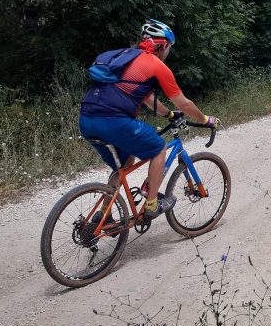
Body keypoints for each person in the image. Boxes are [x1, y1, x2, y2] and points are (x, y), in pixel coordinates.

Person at [79, 19, 216, 219]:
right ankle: (152, 204)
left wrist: (168, 114)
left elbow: (146, 98)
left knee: (124, 164)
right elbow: (184, 104)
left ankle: (104, 214)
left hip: (87, 120)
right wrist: (205, 119)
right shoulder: (156, 65)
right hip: (113, 121)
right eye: (170, 48)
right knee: (159, 148)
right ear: (164, 46)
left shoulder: (126, 59)